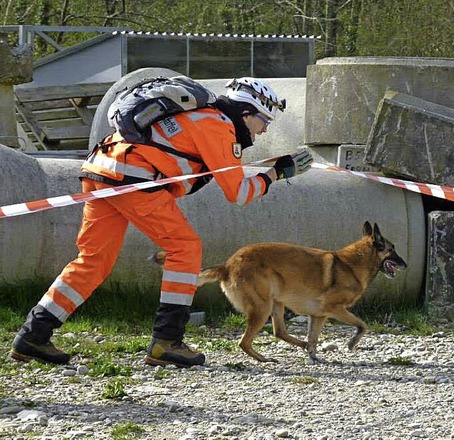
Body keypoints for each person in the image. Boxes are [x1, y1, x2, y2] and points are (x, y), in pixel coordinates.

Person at [10, 77, 313, 367]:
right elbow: (240, 193)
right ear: (246, 115)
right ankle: (167, 341)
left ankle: (34, 335)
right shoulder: (219, 126)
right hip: (134, 180)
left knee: (92, 261)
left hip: (101, 170)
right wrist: (277, 172)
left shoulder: (202, 117)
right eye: (264, 122)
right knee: (185, 248)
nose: (263, 132)